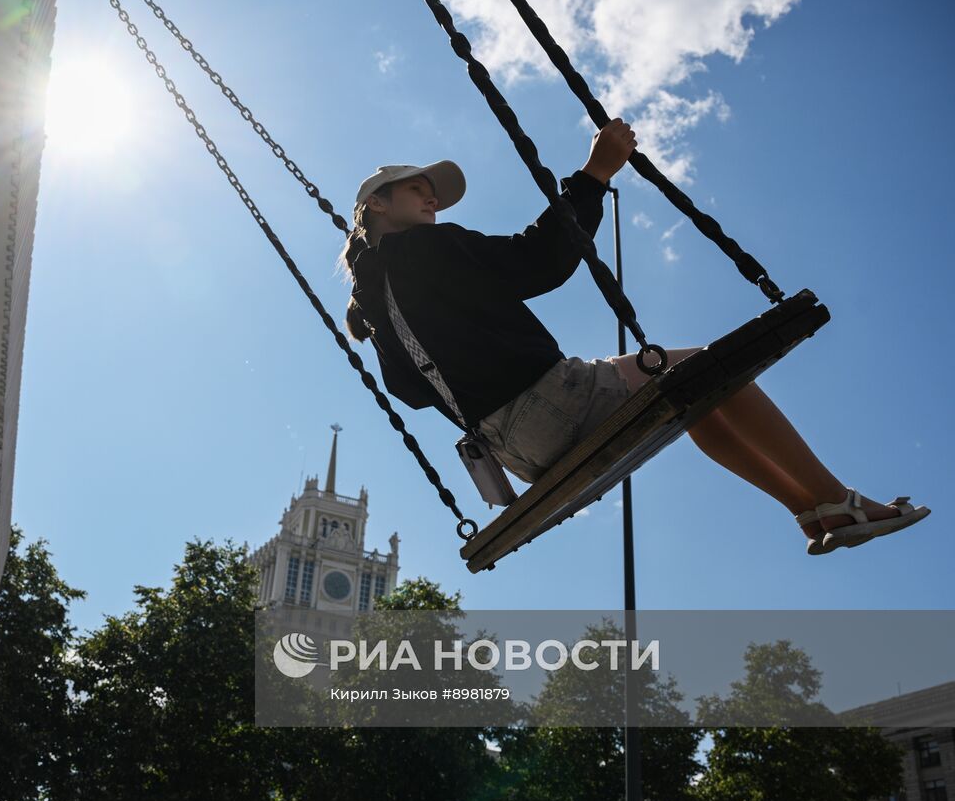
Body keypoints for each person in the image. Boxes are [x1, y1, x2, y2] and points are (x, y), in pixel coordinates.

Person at [338, 118, 929, 555]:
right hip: (553, 402)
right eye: (418, 189)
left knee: (696, 396)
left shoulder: (373, 303)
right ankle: (837, 497)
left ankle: (810, 510)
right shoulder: (425, 248)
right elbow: (539, 262)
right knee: (713, 367)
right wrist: (595, 174)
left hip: (513, 455)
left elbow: (413, 394)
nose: (433, 198)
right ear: (378, 205)